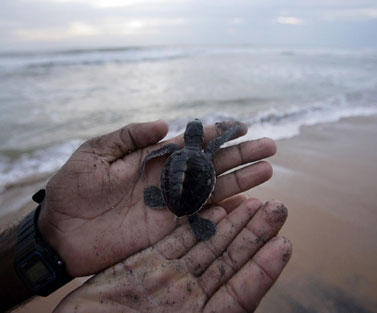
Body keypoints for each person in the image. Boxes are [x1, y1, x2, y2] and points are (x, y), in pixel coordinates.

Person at [0, 120, 292, 312]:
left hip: (166, 195)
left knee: (169, 194)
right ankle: (194, 216)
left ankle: (178, 209)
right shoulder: (209, 152)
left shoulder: (171, 152)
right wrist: (231, 129)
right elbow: (217, 142)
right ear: (200, 140)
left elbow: (155, 155)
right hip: (193, 193)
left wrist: (143, 168)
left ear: (187, 137)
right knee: (196, 203)